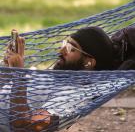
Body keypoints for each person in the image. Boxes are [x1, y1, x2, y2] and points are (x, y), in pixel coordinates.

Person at [2, 26, 135, 132]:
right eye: (64, 43)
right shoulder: (60, 75)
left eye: (71, 48)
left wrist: (18, 73)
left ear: (88, 63)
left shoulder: (75, 96)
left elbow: (25, 126)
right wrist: (8, 69)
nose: (61, 50)